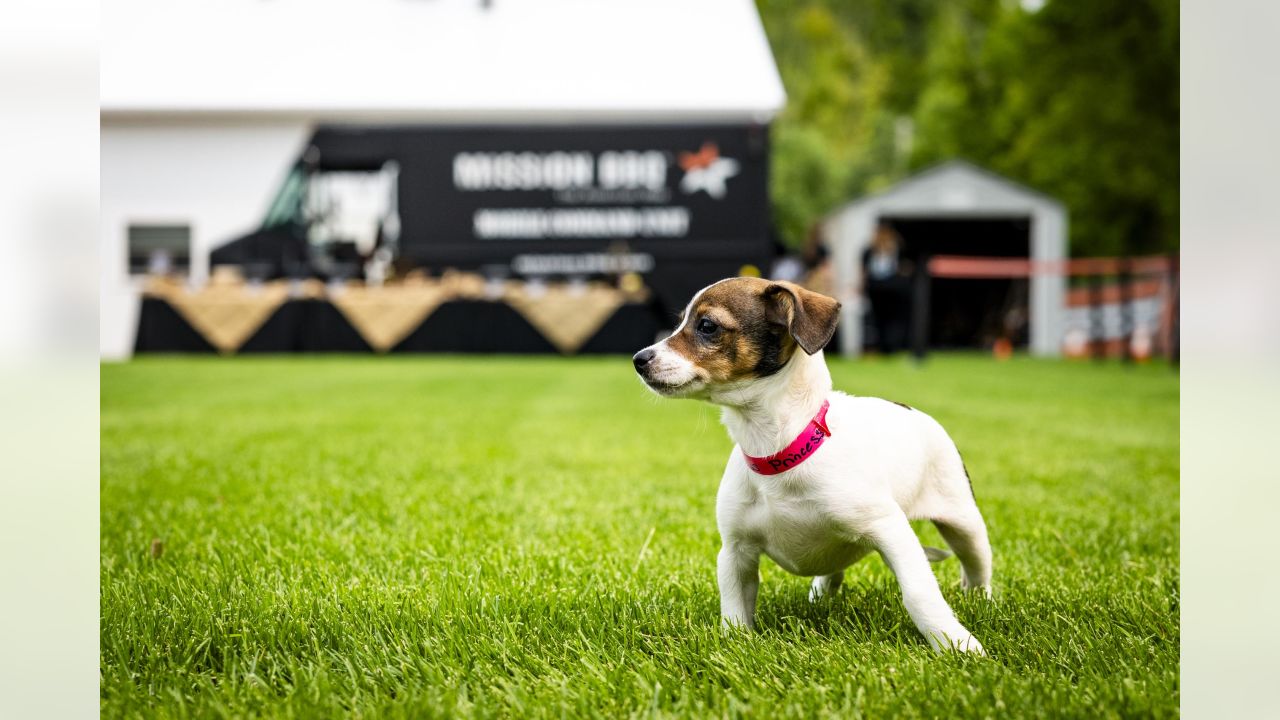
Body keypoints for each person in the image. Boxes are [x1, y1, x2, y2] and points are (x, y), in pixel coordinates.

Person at [861, 223, 913, 354]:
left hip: (890, 290)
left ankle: (890, 345)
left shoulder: (896, 250)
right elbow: (864, 272)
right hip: (877, 290)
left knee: (890, 321)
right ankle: (883, 346)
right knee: (879, 320)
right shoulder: (869, 252)